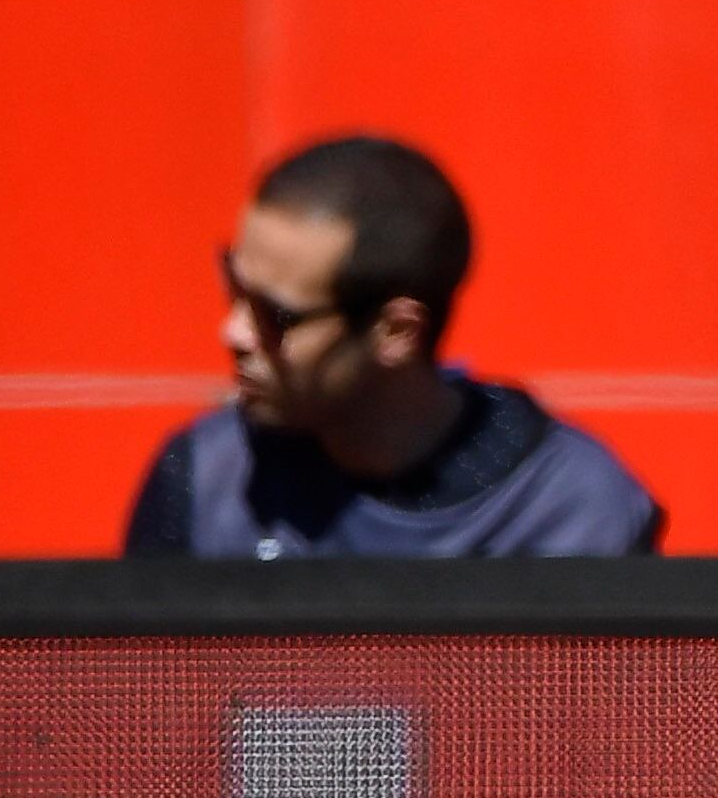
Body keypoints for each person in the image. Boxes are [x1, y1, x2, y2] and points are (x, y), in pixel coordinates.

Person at [125, 134, 666, 556]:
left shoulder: (567, 509)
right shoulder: (208, 477)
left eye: (277, 315)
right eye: (233, 286)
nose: (234, 333)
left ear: (396, 332)